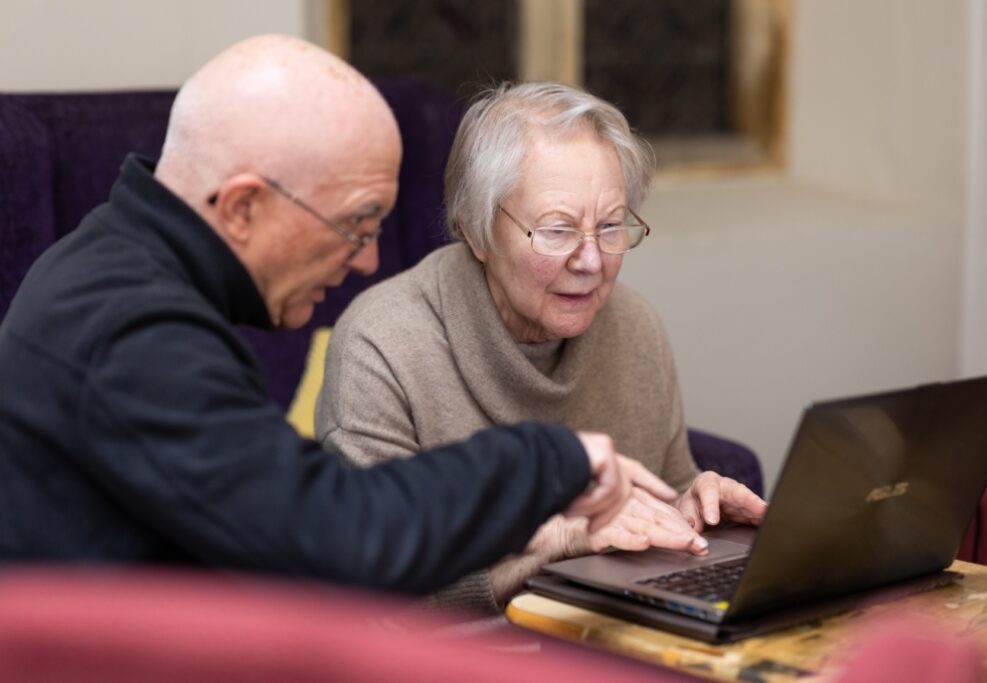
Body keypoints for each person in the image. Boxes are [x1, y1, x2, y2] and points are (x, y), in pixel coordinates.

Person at [0, 36, 678, 595]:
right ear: (241, 207)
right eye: (356, 223)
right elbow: (336, 541)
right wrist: (550, 460)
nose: (366, 259)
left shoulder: (118, 266)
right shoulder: (128, 327)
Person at [315, 82, 768, 611]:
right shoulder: (383, 347)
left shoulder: (633, 325)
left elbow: (660, 505)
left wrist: (697, 513)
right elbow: (373, 597)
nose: (592, 262)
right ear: (476, 231)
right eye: (557, 230)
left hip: (612, 643)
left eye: (611, 226)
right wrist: (561, 543)